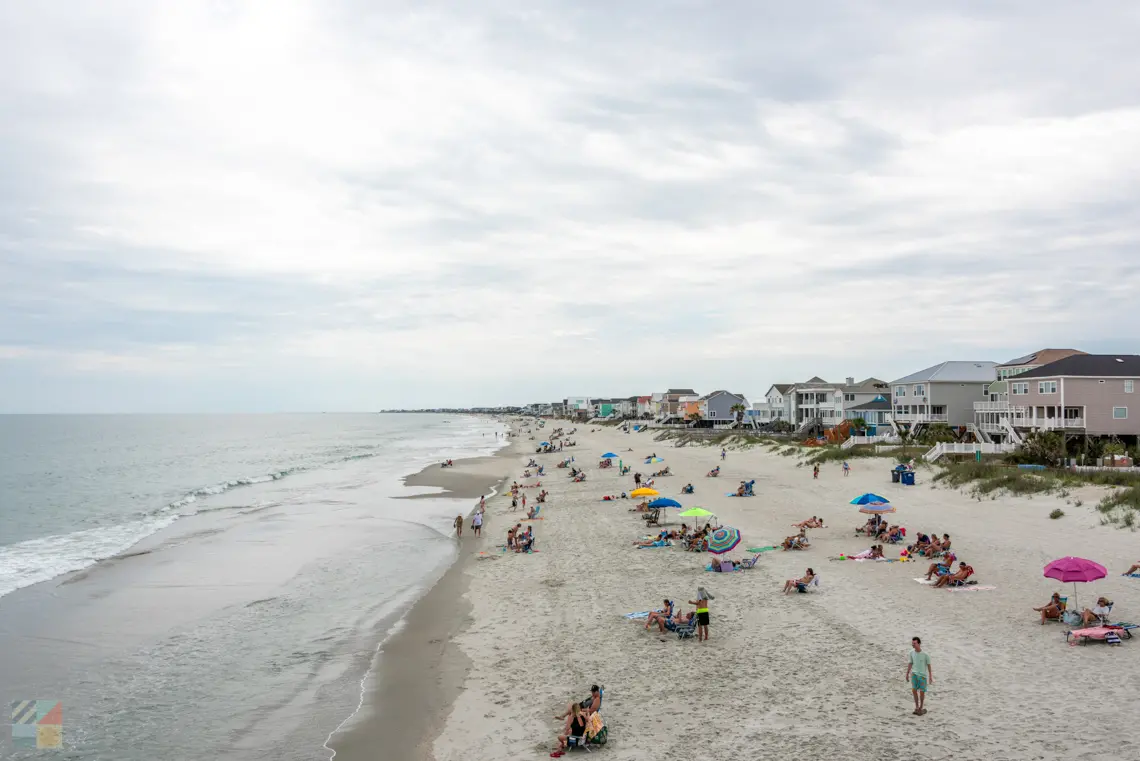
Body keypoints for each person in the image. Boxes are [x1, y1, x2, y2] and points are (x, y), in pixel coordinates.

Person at [906, 637, 932, 716]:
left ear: (919, 644)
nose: (913, 645)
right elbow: (910, 663)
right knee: (914, 690)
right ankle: (917, 707)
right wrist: (907, 673)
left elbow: (929, 665)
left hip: (922, 675)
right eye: (912, 643)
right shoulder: (911, 653)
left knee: (922, 692)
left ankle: (921, 707)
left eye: (914, 643)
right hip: (914, 674)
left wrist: (930, 676)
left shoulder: (925, 654)